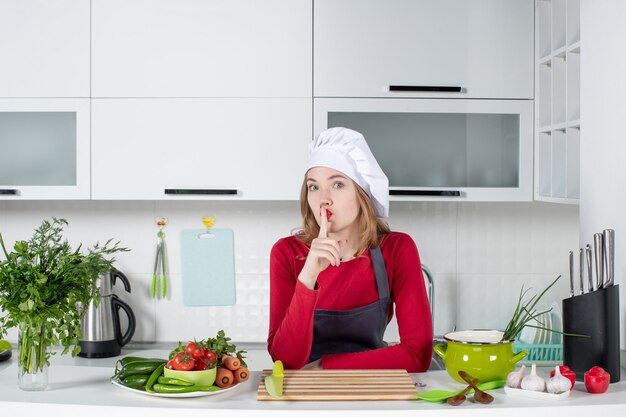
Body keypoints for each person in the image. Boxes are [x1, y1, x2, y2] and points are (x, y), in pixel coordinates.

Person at [267, 127, 433, 372]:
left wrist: (327, 366)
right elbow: (285, 362)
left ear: (362, 193)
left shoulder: (396, 249)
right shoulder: (286, 253)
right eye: (314, 187)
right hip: (305, 393)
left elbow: (418, 355)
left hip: (371, 385)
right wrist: (308, 278)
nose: (323, 198)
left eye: (337, 184)